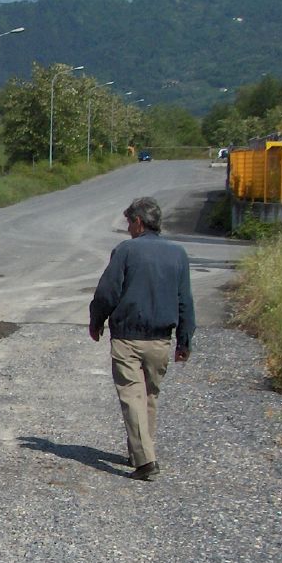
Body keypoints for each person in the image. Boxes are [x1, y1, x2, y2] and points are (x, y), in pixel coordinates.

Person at [88, 196, 195, 481]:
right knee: (149, 396)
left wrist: (96, 320)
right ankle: (141, 452)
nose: (127, 229)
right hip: (161, 340)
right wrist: (184, 341)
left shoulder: (126, 251)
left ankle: (145, 461)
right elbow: (185, 301)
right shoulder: (178, 254)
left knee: (132, 396)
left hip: (128, 338)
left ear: (138, 222)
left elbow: (107, 292)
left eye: (128, 223)